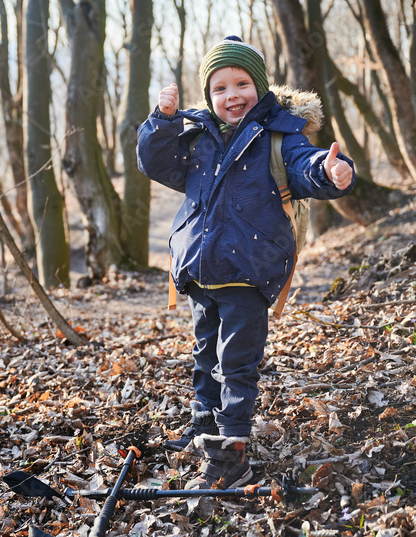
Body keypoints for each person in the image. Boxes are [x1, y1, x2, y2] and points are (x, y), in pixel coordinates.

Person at [137, 35, 356, 490]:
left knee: (235, 364)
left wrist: (331, 172)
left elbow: (305, 166)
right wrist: (162, 121)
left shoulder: (279, 136)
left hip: (249, 268)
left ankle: (232, 455)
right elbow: (154, 161)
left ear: (259, 86)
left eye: (241, 84)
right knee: (204, 356)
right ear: (208, 95)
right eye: (219, 88)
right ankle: (204, 430)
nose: (231, 95)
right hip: (200, 269)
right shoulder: (196, 136)